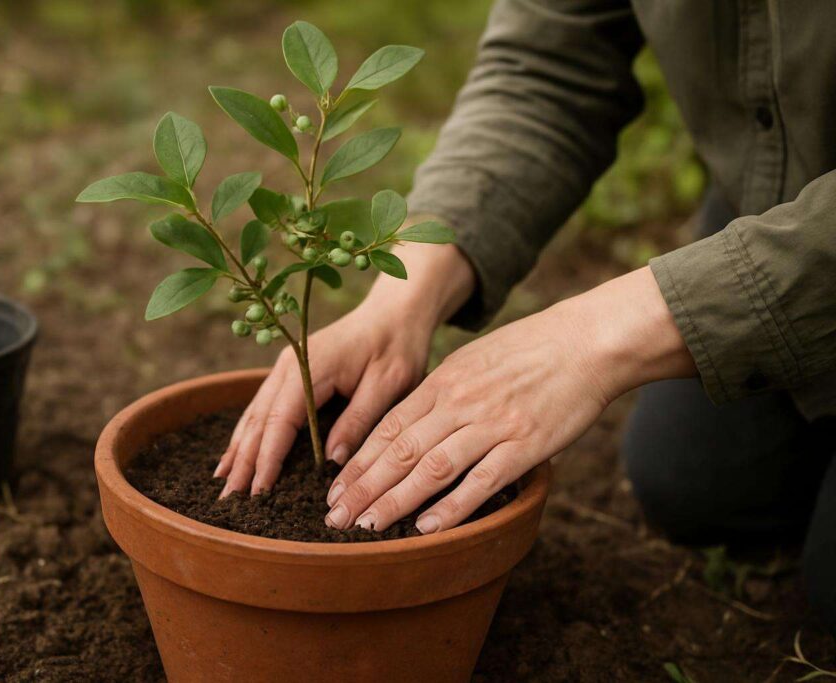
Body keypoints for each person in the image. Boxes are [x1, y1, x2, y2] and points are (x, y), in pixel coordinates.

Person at [213, 0, 836, 632]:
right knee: (695, 484)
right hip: (767, 198)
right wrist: (405, 297)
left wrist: (590, 338)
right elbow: (549, 70)